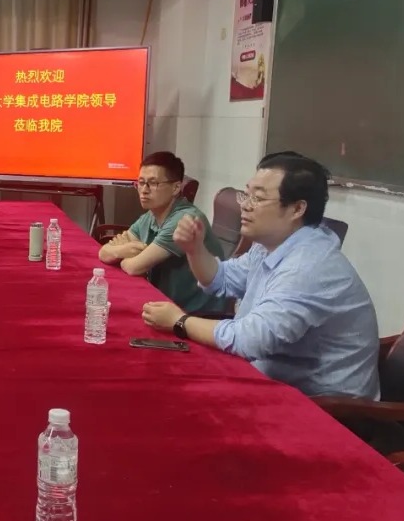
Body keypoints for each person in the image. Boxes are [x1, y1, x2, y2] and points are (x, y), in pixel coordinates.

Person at [141, 154, 380, 399]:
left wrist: (180, 321)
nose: (245, 205)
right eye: (246, 194)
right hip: (268, 377)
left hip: (322, 405)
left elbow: (250, 341)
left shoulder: (308, 267)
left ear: (297, 209)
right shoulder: (270, 245)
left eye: (258, 198)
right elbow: (221, 279)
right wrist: (195, 249)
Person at [99, 152, 225, 313]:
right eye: (140, 183)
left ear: (176, 188)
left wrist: (122, 257)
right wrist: (123, 250)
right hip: (166, 305)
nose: (144, 190)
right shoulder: (151, 216)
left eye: (153, 183)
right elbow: (103, 252)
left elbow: (134, 267)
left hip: (196, 315)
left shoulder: (184, 219)